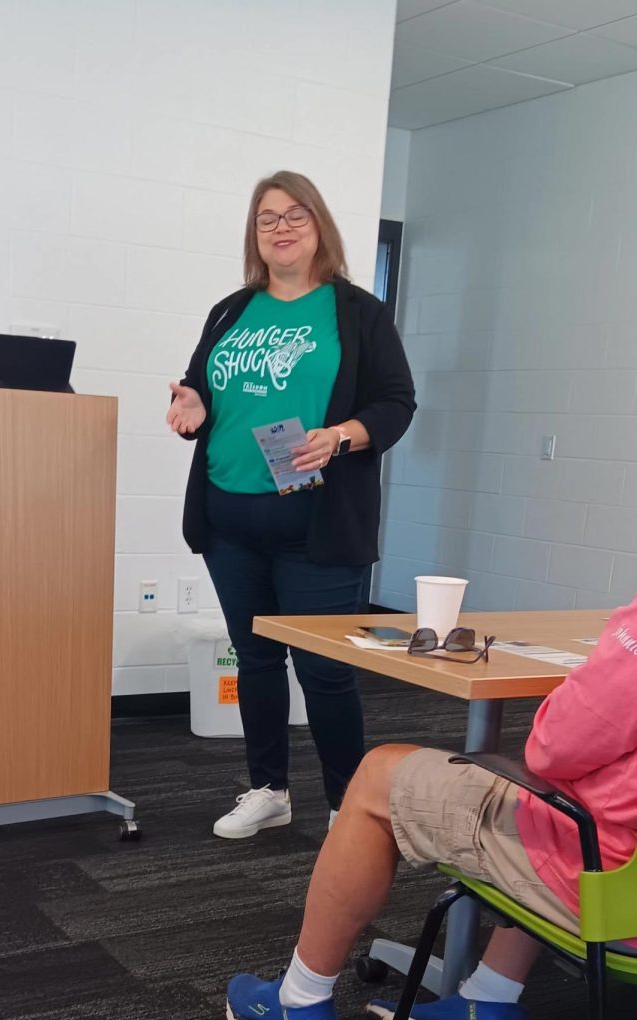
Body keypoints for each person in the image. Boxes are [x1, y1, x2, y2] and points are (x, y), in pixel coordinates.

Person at [225, 593, 637, 1020]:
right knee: (559, 794)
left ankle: (299, 1002)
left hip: (610, 892)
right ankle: (488, 997)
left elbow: (553, 750)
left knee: (380, 773)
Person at [167, 170, 415, 840]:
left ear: (320, 226)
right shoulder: (230, 310)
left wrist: (339, 436)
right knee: (254, 659)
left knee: (325, 672)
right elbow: (199, 388)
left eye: (294, 214)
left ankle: (348, 805)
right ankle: (269, 789)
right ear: (255, 234)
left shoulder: (357, 313)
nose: (280, 227)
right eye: (267, 217)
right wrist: (190, 404)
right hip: (228, 519)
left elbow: (396, 403)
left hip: (318, 524)